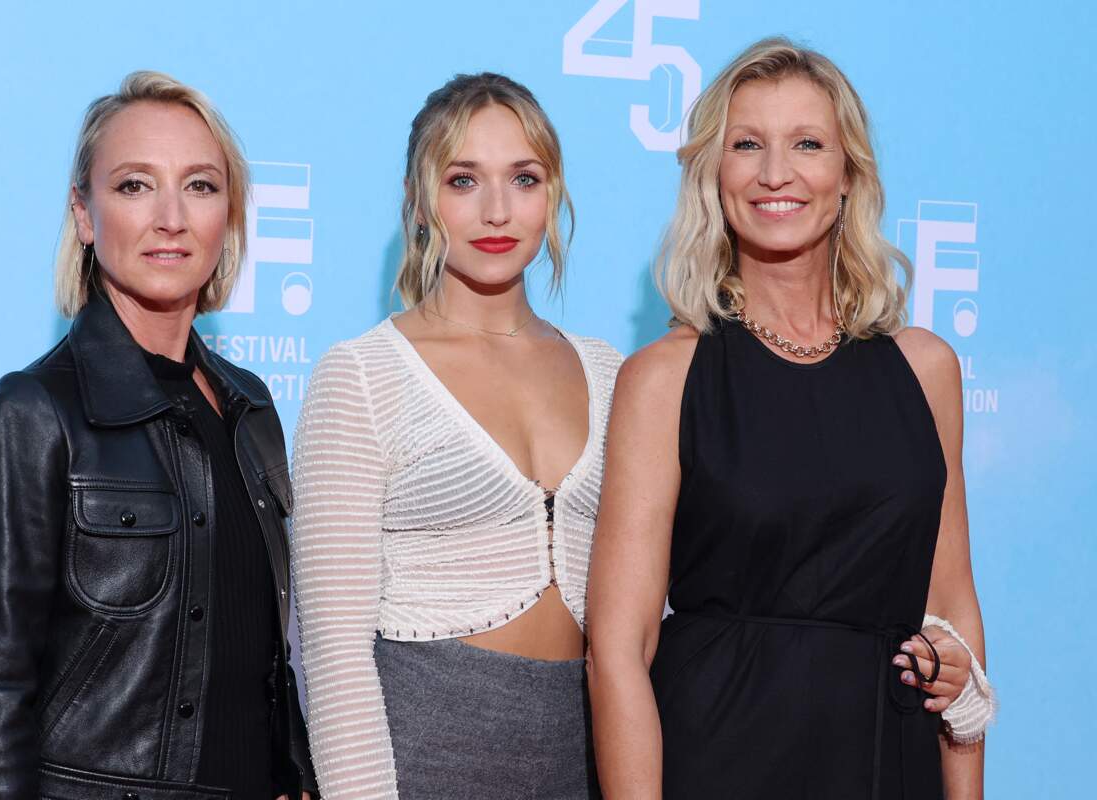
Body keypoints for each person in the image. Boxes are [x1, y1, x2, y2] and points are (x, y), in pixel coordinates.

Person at [586, 38, 992, 799]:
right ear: (715, 175)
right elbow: (618, 648)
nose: (776, 173)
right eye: (747, 144)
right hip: (718, 754)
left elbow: (954, 616)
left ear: (848, 176)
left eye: (807, 143)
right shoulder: (665, 378)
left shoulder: (926, 369)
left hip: (886, 754)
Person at [0, 72, 315, 800]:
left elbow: (268, 652)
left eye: (201, 187)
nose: (171, 218)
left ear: (229, 217)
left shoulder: (251, 407)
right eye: (135, 186)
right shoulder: (35, 412)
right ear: (84, 215)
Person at [290, 72, 619, 799]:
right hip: (423, 751)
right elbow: (334, 653)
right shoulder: (362, 375)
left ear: (553, 194)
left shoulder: (612, 373)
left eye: (523, 179)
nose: (497, 210)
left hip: (585, 753)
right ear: (417, 199)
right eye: (464, 180)